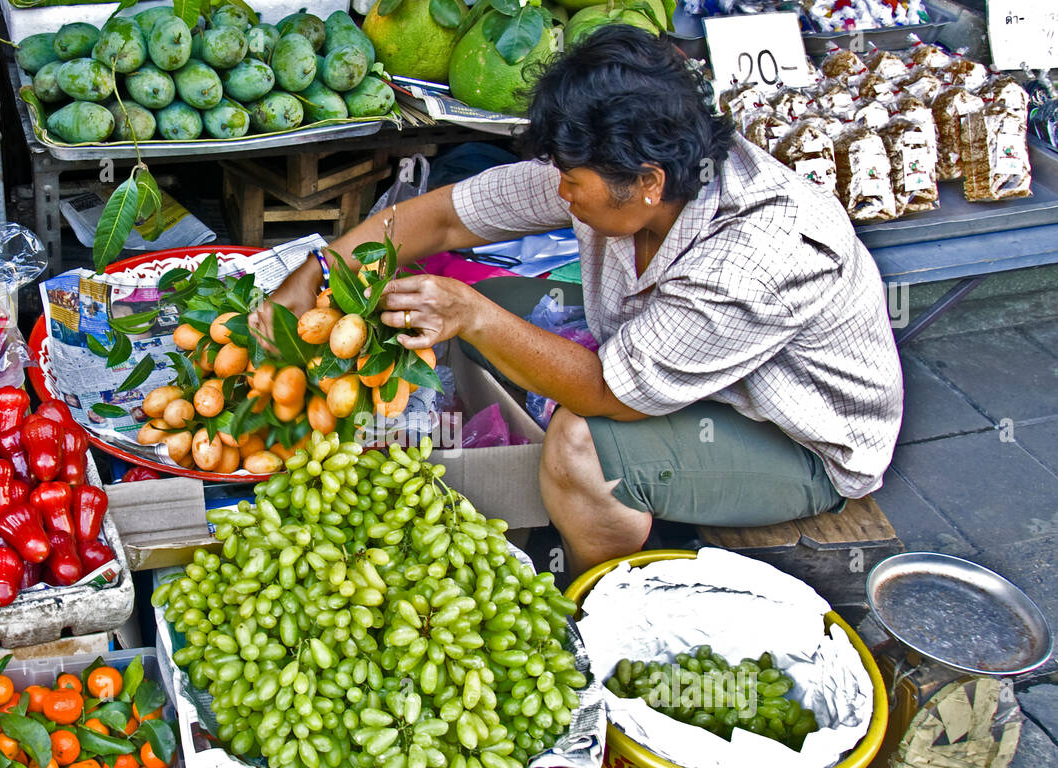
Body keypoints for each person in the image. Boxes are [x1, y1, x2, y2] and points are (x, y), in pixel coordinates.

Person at [255, 26, 903, 577]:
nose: (559, 190)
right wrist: (317, 267)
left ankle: (599, 592)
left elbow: (607, 394)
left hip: (799, 442)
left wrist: (475, 315)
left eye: (572, 180)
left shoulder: (755, 254)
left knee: (578, 445)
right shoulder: (621, 166)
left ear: (647, 184)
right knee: (501, 309)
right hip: (690, 372)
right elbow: (448, 219)